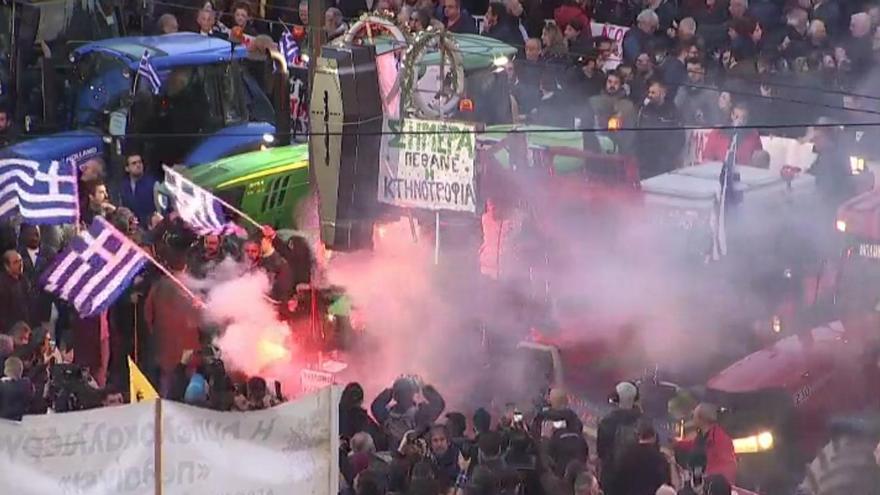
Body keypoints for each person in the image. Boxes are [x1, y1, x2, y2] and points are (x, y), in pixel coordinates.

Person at [370, 377, 446, 449]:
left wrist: (424, 388)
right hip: (392, 456)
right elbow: (376, 406)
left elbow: (438, 404)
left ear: (411, 393)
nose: (403, 395)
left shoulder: (420, 413)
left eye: (405, 391)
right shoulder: (388, 415)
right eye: (400, 392)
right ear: (395, 396)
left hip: (416, 455)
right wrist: (390, 391)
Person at [675, 403, 737, 484]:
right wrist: (677, 443)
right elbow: (694, 444)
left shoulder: (720, 438)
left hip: (711, 485)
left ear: (701, 418)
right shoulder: (702, 436)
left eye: (694, 416)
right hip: (699, 481)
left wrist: (710, 480)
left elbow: (729, 466)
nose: (692, 419)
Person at [597, 382, 643, 487]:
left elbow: (601, 452)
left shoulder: (606, 422)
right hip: (636, 478)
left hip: (612, 477)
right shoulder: (644, 422)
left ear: (616, 398)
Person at [608, 420, 672, 495]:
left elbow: (616, 481)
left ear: (639, 436)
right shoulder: (660, 459)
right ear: (654, 436)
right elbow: (665, 485)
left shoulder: (625, 455)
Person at [118, 154, 158, 226]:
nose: (138, 165)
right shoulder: (123, 185)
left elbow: (158, 210)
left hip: (150, 227)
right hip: (130, 227)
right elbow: (122, 207)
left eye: (140, 162)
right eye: (134, 163)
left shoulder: (153, 183)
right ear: (127, 168)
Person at [0, 251, 35, 333]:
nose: (20, 264)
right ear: (7, 266)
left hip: (27, 327)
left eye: (20, 261)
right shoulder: (2, 284)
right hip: (11, 330)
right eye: (16, 262)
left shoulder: (24, 280)